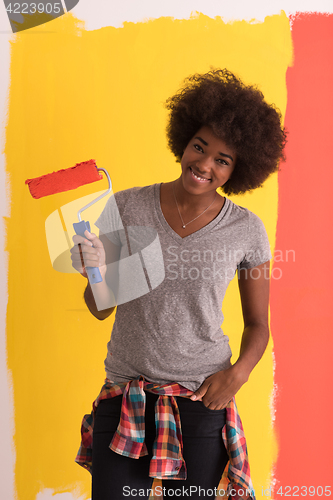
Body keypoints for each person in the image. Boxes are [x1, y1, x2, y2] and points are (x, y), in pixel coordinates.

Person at [71, 69, 286, 500]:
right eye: (199, 147)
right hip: (125, 396)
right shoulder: (126, 205)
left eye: (222, 160)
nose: (204, 164)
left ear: (238, 170)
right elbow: (101, 306)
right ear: (184, 140)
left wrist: (237, 375)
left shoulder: (247, 230)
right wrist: (93, 272)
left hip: (200, 403)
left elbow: (258, 324)